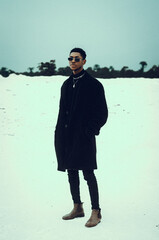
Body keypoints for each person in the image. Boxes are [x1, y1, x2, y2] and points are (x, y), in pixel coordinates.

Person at [54, 48, 108, 227]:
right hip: (67, 135)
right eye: (70, 58)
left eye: (77, 58)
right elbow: (62, 111)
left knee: (88, 172)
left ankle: (96, 211)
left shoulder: (94, 84)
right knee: (71, 171)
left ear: (84, 61)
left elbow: (102, 113)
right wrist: (59, 133)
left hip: (84, 137)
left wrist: (89, 130)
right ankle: (77, 207)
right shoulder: (66, 84)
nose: (73, 61)